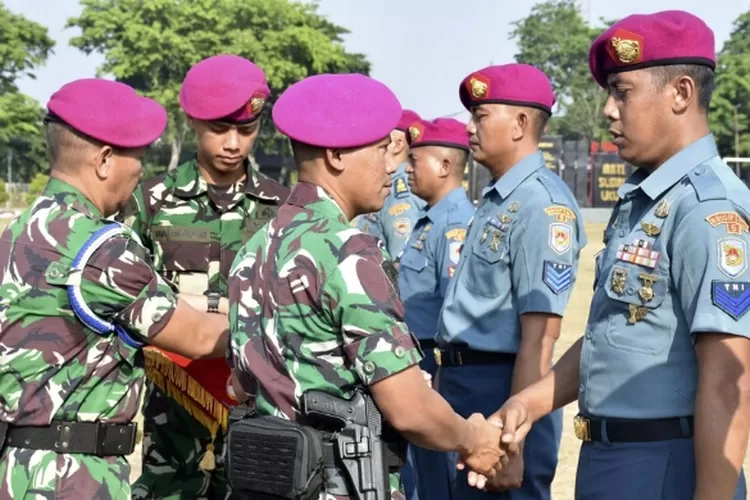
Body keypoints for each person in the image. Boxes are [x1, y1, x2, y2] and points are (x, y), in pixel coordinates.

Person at [485, 11, 750, 500]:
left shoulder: (707, 209)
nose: (609, 110)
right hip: (613, 461)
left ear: (681, 93)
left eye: (622, 91)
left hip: (666, 466)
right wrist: (532, 400)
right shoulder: (647, 202)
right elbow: (618, 333)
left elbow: (727, 379)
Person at [226, 73, 507, 500]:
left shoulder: (256, 246)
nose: (391, 166)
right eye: (380, 150)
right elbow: (409, 407)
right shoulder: (347, 252)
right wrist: (474, 440)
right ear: (337, 155)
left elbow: (242, 383)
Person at [0, 78, 229, 499]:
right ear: (105, 160)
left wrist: (221, 302)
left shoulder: (21, 231)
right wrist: (271, 322)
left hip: (17, 468)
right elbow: (196, 336)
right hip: (74, 478)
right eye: (138, 157)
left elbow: (146, 298)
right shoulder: (102, 247)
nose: (141, 171)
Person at [117, 54, 290, 499]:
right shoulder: (149, 201)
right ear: (192, 122)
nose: (233, 142)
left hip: (257, 396)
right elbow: (125, 292)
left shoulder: (283, 207)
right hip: (170, 399)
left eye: (246, 130)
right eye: (219, 129)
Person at [435, 64, 586, 500]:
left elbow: (538, 339)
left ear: (520, 123)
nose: (468, 127)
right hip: (464, 388)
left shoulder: (542, 205)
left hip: (502, 393)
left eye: (481, 116)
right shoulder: (500, 198)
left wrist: (511, 442)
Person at [398, 117, 475, 500]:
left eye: (415, 160)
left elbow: (453, 308)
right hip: (417, 361)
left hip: (435, 363)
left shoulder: (454, 225)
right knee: (423, 479)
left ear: (445, 166)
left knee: (440, 482)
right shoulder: (429, 220)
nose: (406, 169)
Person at [355, 109, 426, 263]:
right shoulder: (385, 185)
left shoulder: (400, 192)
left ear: (397, 144)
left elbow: (400, 263)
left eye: (382, 142)